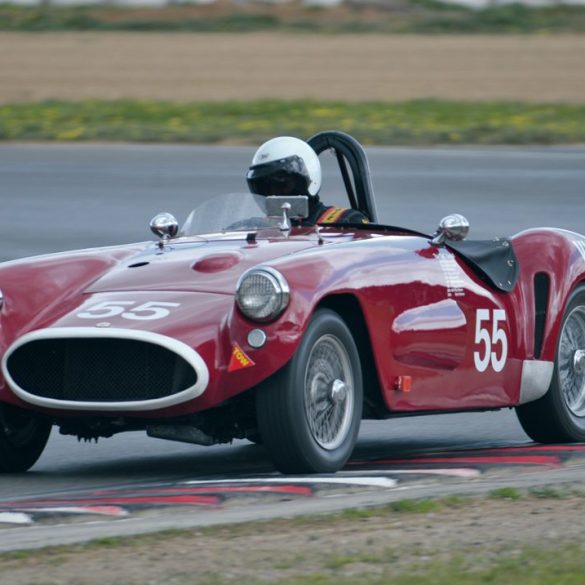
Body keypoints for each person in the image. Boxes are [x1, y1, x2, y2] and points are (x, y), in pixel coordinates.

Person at [246, 136, 369, 226]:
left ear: (307, 180)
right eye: (266, 188)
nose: (274, 194)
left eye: (282, 185)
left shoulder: (345, 221)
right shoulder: (252, 227)